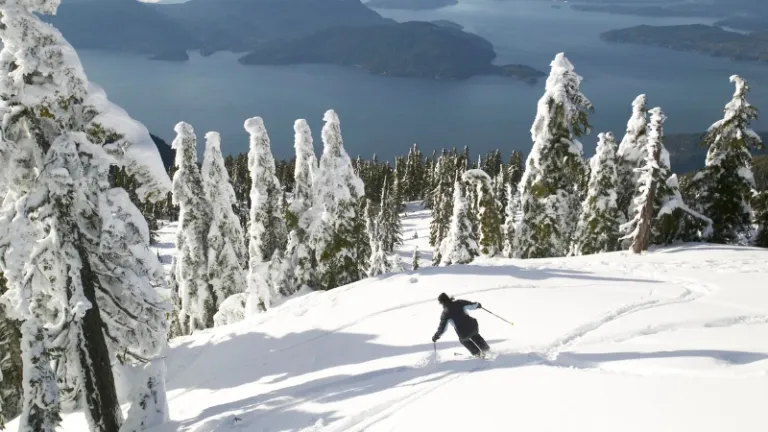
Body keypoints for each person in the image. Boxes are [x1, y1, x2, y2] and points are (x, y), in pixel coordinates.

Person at [431, 293, 490, 357]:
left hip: (463, 333)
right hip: (473, 326)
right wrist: (478, 305)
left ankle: (478, 353)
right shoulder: (459, 302)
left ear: (441, 302)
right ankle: (487, 350)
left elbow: (442, 329)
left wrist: (436, 336)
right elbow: (472, 305)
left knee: (464, 340)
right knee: (475, 335)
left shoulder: (445, 314)